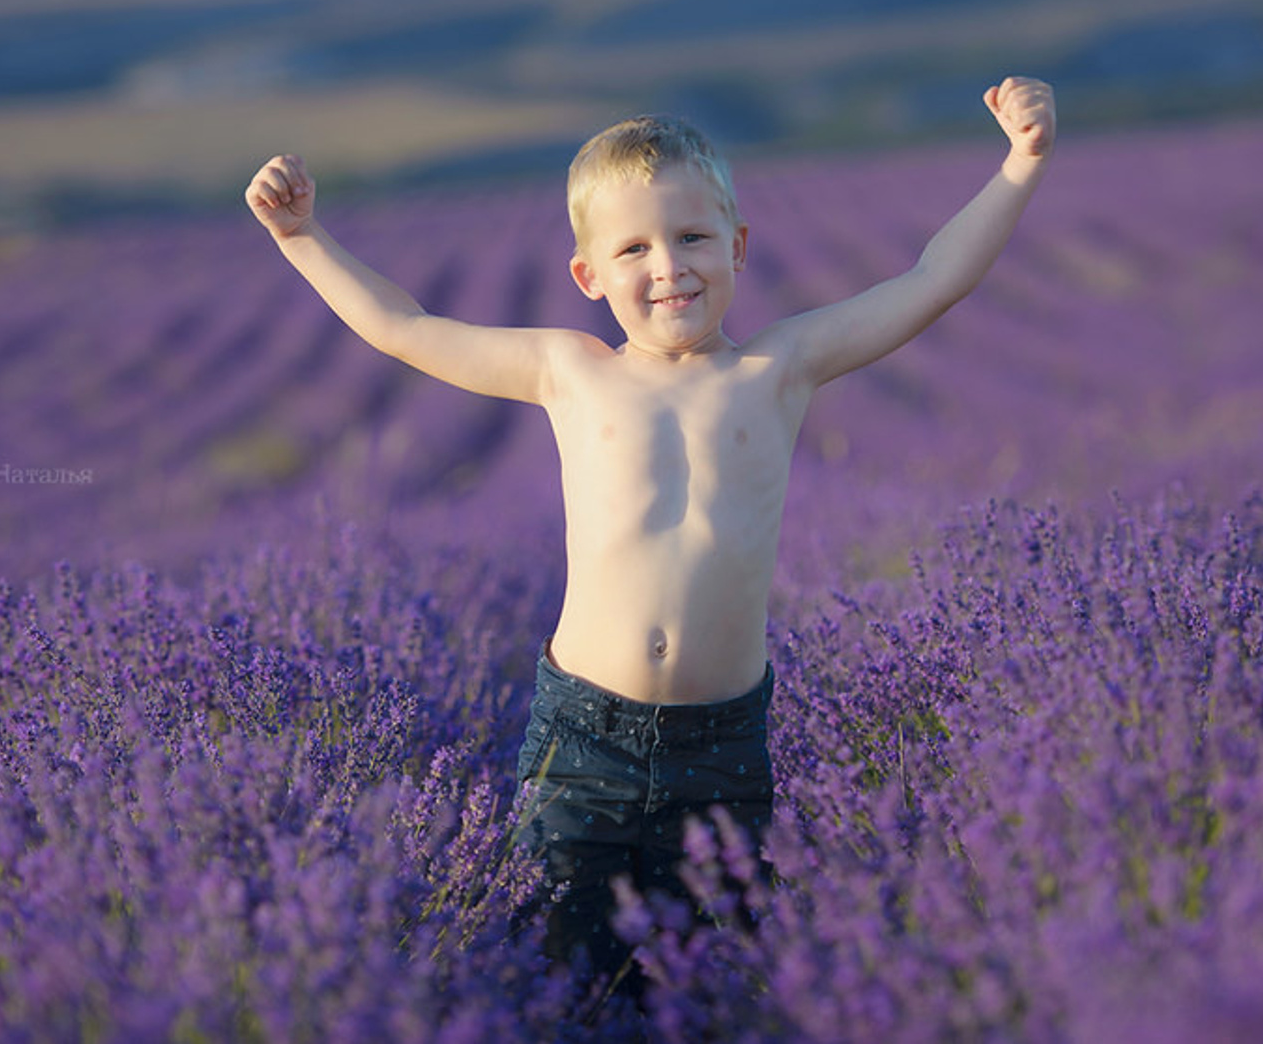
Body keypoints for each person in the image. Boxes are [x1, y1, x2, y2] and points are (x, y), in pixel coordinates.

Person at [245, 75, 1056, 985]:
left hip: (722, 741)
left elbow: (932, 280)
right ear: (589, 276)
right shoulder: (569, 370)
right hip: (582, 737)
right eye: (634, 248)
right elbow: (406, 326)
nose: (668, 266)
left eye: (693, 237)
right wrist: (303, 236)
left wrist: (1020, 164)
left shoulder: (777, 367)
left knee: (716, 980)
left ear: (739, 247)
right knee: (564, 975)